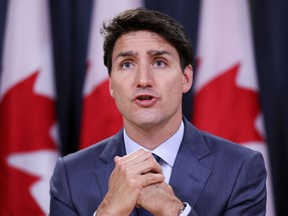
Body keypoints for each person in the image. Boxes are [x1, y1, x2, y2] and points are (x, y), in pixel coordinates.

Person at [49, 8, 267, 216]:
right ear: (111, 86)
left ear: (186, 78)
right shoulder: (69, 175)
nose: (143, 80)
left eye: (159, 63)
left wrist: (173, 210)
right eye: (127, 64)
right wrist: (109, 210)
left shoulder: (240, 168)